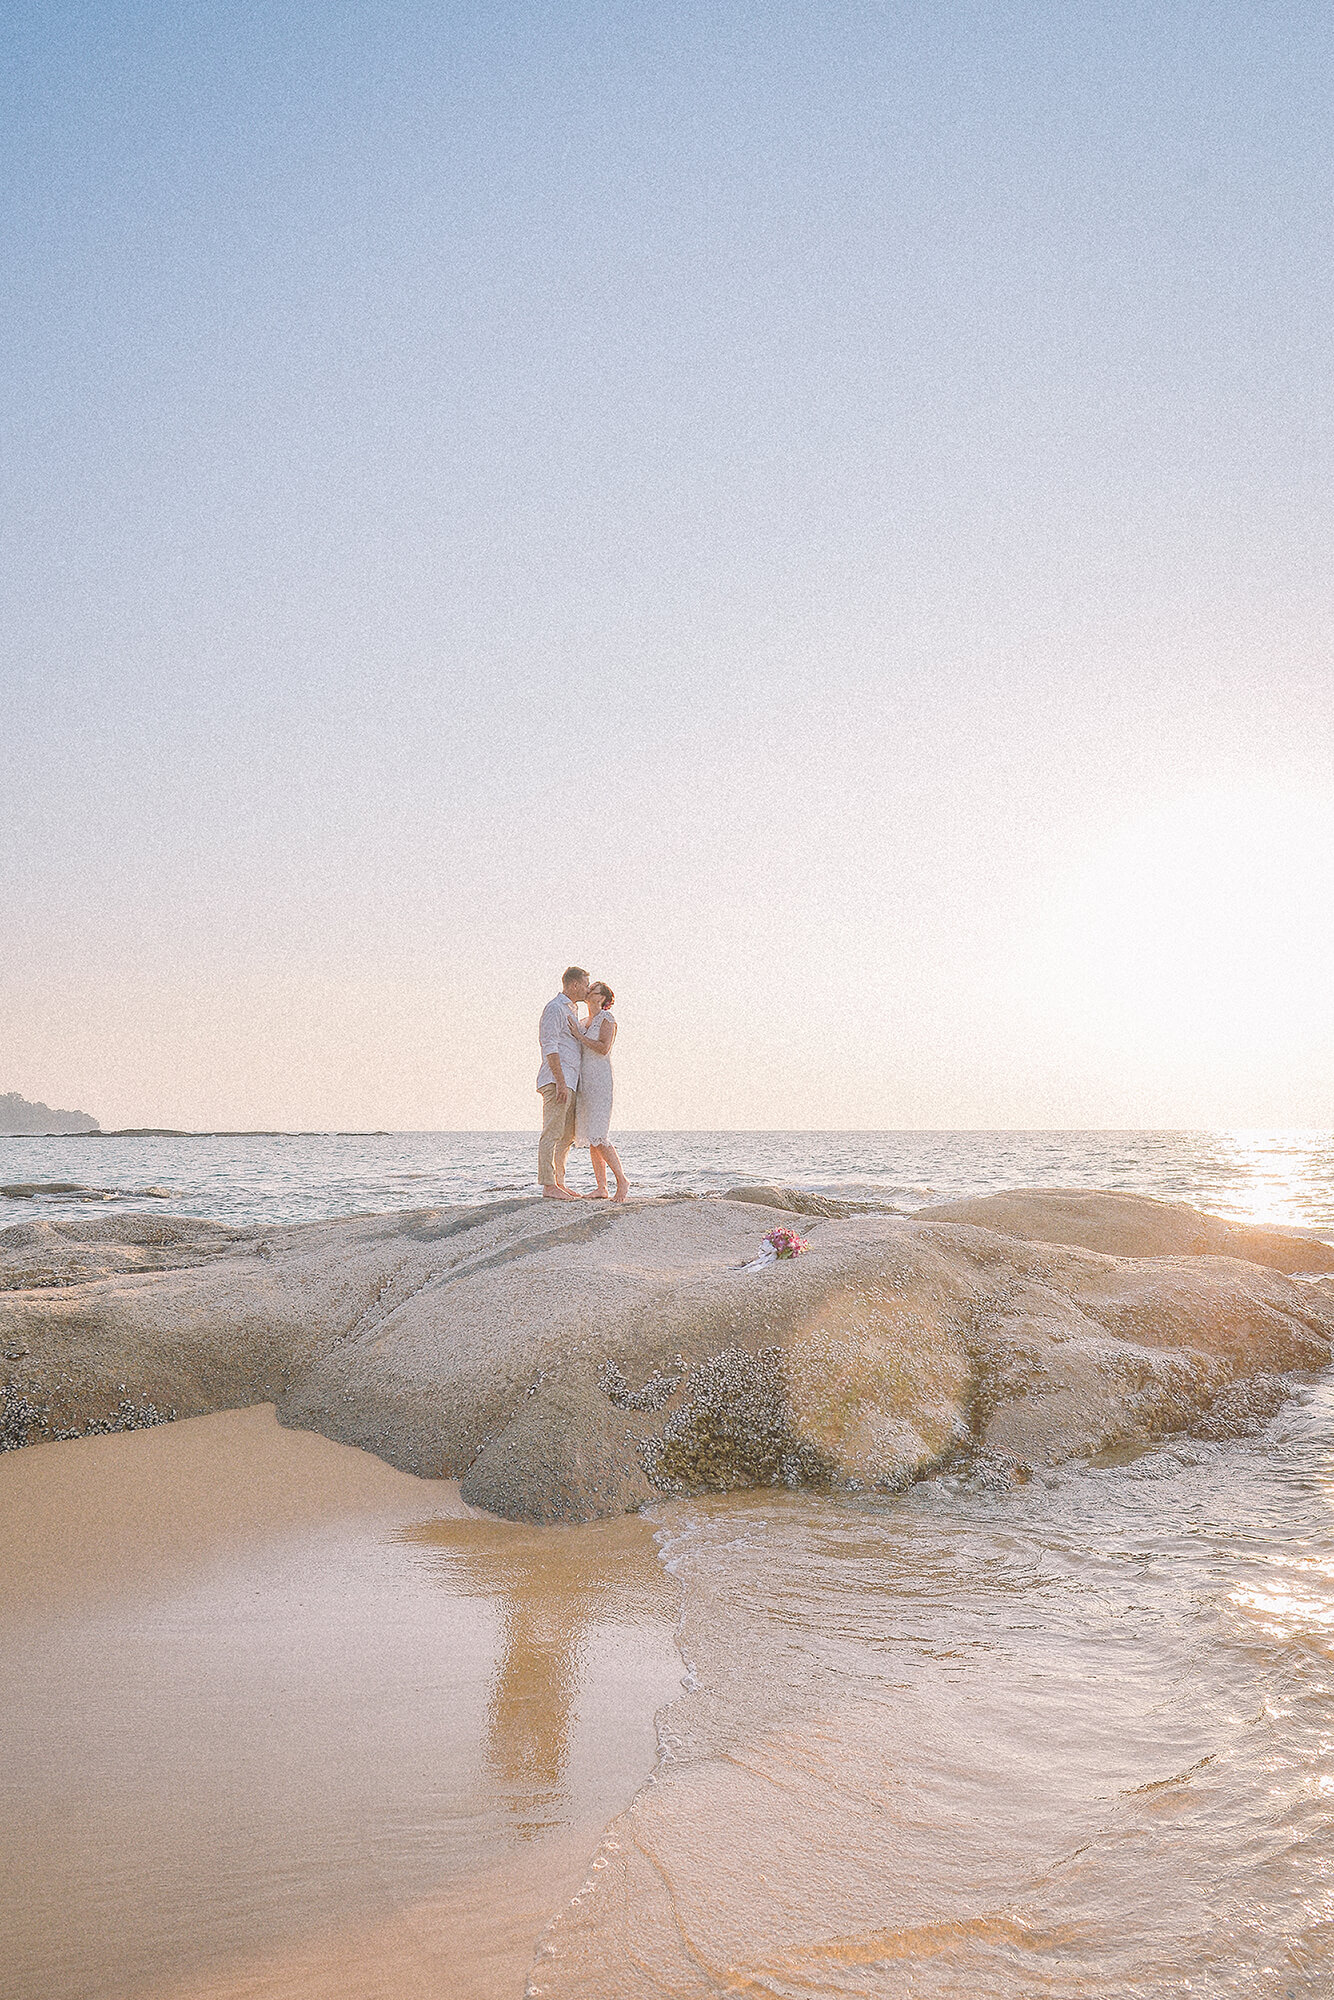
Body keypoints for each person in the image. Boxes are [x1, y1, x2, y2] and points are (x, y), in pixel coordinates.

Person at [536, 967, 590, 1199]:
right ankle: (548, 1185)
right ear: (575, 985)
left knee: (567, 1136)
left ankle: (559, 1182)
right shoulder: (555, 1008)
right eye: (586, 985)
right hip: (557, 1080)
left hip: (571, 1081)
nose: (588, 990)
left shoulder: (572, 1010)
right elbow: (549, 1046)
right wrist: (559, 1081)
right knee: (552, 1132)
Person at [571, 982, 628, 1202]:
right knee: (591, 1137)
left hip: (601, 1079)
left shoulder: (607, 1020)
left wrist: (579, 1036)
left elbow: (604, 1048)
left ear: (602, 997)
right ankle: (601, 1187)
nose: (588, 992)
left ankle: (622, 1181)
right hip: (585, 1081)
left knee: (599, 1135)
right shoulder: (584, 1022)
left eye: (593, 990)